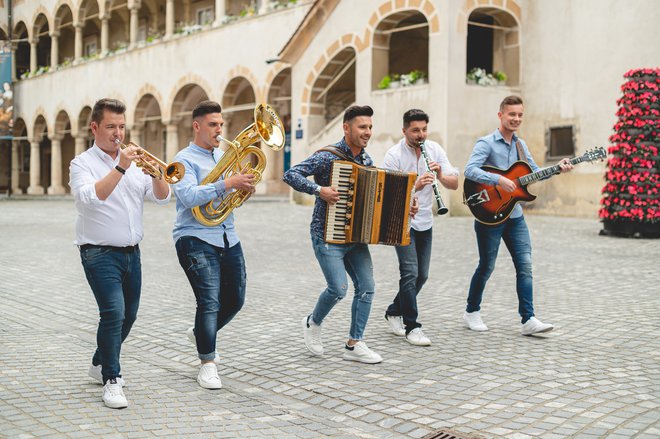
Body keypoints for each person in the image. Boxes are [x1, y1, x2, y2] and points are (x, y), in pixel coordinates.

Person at [69, 98, 171, 408]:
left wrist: (155, 173)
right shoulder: (81, 163)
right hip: (98, 252)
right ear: (95, 127)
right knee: (113, 313)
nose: (118, 133)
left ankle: (100, 360)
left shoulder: (135, 162)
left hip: (132, 252)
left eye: (122, 126)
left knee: (129, 315)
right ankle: (112, 379)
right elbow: (90, 198)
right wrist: (121, 167)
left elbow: (163, 199)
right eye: (111, 126)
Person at [462, 95, 573, 335]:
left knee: (525, 266)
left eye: (520, 115)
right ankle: (472, 311)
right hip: (489, 214)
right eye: (512, 114)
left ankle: (528, 319)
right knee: (486, 266)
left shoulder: (521, 145)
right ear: (500, 114)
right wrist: (499, 179)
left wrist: (557, 169)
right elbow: (470, 170)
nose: (516, 119)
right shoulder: (486, 143)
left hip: (515, 216)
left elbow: (534, 173)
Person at [282, 105, 383, 364]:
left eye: (370, 127)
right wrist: (319, 190)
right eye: (362, 127)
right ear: (346, 128)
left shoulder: (367, 161)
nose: (368, 132)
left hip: (355, 237)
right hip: (326, 234)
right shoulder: (328, 157)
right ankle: (312, 322)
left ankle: (354, 344)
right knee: (338, 289)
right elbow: (290, 174)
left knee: (367, 288)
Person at [172, 100, 255, 389]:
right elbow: (190, 197)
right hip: (194, 237)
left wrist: (242, 189)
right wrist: (228, 183)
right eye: (213, 125)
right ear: (197, 126)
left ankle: (201, 333)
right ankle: (207, 363)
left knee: (237, 299)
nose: (219, 129)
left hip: (227, 235)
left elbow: (228, 201)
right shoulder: (183, 160)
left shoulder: (225, 156)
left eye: (221, 124)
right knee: (209, 300)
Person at [382, 109, 459, 346]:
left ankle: (394, 310)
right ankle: (412, 326)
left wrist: (440, 174)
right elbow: (388, 195)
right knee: (410, 273)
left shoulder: (434, 149)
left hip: (425, 221)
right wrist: (414, 185)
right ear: (404, 130)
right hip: (400, 221)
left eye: (424, 129)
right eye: (415, 130)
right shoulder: (393, 155)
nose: (421, 134)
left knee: (422, 275)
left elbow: (454, 183)